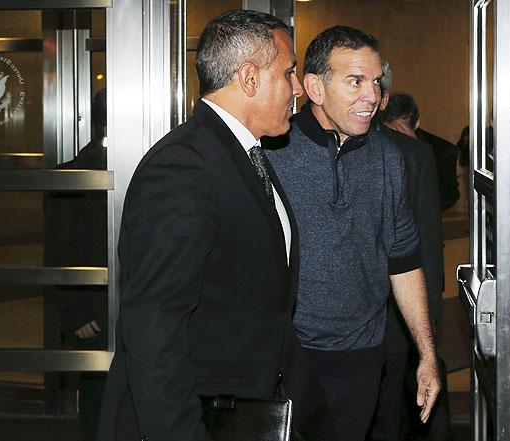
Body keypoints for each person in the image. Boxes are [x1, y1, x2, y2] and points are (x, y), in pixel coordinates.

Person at [97, 10, 334, 441]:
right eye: (288, 72)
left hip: (247, 410)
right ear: (248, 77)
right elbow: (155, 324)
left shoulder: (242, 154)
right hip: (200, 420)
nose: (298, 88)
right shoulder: (183, 167)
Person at [265, 26, 441, 441]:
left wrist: (428, 354)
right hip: (287, 358)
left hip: (362, 358)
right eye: (355, 81)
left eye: (376, 82)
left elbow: (404, 259)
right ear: (315, 87)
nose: (373, 96)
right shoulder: (272, 153)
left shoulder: (390, 159)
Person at [374, 88, 452, 441]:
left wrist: (429, 337)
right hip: (315, 336)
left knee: (389, 418)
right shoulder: (290, 145)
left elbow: (427, 247)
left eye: (374, 84)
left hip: (395, 320)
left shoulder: (413, 155)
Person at [44, 88, 108, 441]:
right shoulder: (71, 176)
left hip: (137, 310)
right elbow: (60, 251)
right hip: (95, 313)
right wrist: (77, 313)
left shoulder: (151, 169)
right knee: (99, 401)